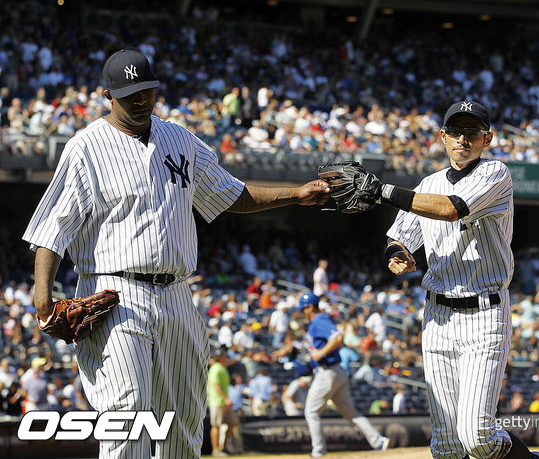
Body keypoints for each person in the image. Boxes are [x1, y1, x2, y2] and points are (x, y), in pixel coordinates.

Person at [22, 49, 330, 459]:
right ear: (107, 95)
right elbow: (51, 228)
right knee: (128, 420)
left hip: (178, 294)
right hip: (114, 294)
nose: (140, 100)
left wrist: (294, 194)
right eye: (130, 93)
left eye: (146, 91)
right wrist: (43, 298)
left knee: (183, 426)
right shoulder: (86, 148)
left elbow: (231, 193)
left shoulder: (180, 139)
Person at [383, 101, 539, 459]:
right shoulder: (428, 183)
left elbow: (450, 208)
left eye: (471, 132)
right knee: (447, 445)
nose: (462, 138)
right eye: (455, 131)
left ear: (486, 139)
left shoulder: (495, 174)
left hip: (484, 313)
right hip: (438, 317)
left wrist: (383, 190)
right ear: (442, 137)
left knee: (477, 436)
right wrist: (397, 253)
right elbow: (400, 235)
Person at [299, 293, 390, 457]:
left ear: (310, 307)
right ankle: (379, 441)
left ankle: (318, 451)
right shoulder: (318, 321)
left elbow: (337, 337)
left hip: (328, 372)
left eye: (303, 308)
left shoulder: (319, 320)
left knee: (311, 412)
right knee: (352, 414)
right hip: (336, 372)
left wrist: (320, 353)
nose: (302, 312)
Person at [207, 349, 241, 457]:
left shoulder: (223, 368)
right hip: (217, 402)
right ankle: (215, 450)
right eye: (224, 356)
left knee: (233, 422)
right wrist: (225, 399)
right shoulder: (216, 369)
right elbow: (215, 385)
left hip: (224, 402)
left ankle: (224, 447)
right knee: (216, 425)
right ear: (220, 358)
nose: (226, 358)